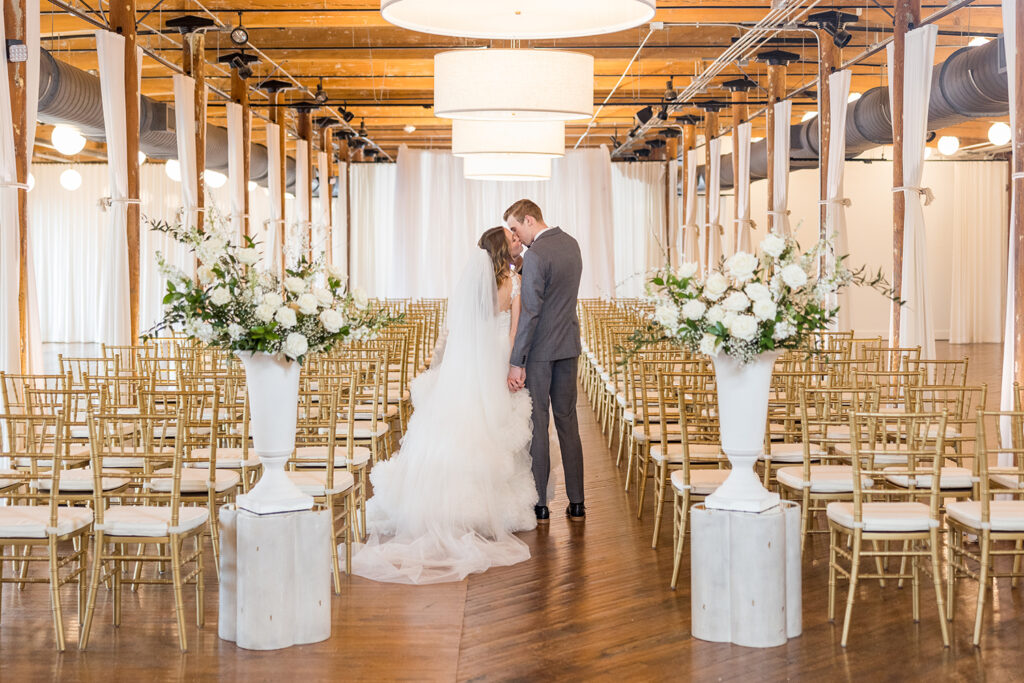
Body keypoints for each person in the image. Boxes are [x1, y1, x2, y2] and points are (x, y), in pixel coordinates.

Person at [350, 226, 538, 585]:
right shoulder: (513, 283)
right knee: (492, 427)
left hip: (467, 364)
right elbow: (514, 332)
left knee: (459, 427)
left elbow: (458, 330)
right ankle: (485, 508)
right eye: (511, 238)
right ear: (503, 251)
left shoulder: (473, 285)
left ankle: (445, 505)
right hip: (496, 359)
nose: (517, 241)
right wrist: (516, 363)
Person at [505, 199, 586, 524]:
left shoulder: (537, 253)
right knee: (568, 422)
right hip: (568, 345)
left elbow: (532, 312)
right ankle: (577, 502)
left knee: (539, 422)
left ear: (529, 219)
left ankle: (540, 504)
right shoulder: (572, 245)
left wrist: (516, 360)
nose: (516, 235)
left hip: (539, 353)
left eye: (515, 228)